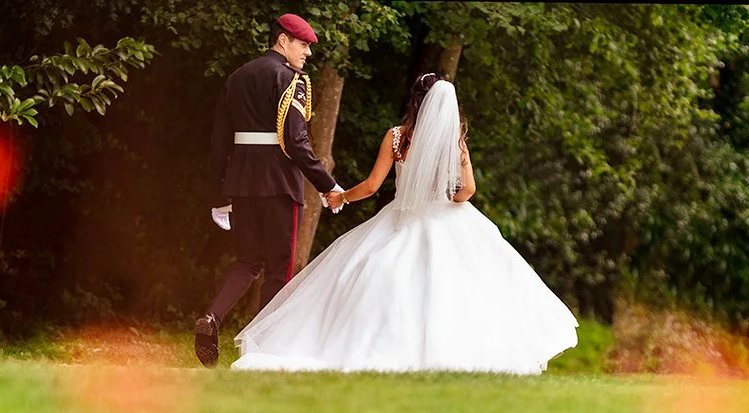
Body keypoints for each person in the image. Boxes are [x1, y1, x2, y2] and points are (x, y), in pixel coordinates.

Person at [232, 74, 578, 374]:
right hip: (448, 219)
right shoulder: (454, 141)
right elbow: (468, 191)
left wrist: (340, 196)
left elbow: (371, 186)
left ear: (415, 101)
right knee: (469, 287)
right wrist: (445, 197)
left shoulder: (397, 137)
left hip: (402, 218)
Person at [195, 13, 346, 367]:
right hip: (279, 184)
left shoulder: (237, 77)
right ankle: (259, 350)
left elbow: (219, 143)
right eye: (304, 44)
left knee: (247, 261)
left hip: (242, 184)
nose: (307, 52)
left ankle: (211, 318)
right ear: (283, 41)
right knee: (279, 269)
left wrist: (220, 196)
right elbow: (295, 142)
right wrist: (328, 185)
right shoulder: (291, 80)